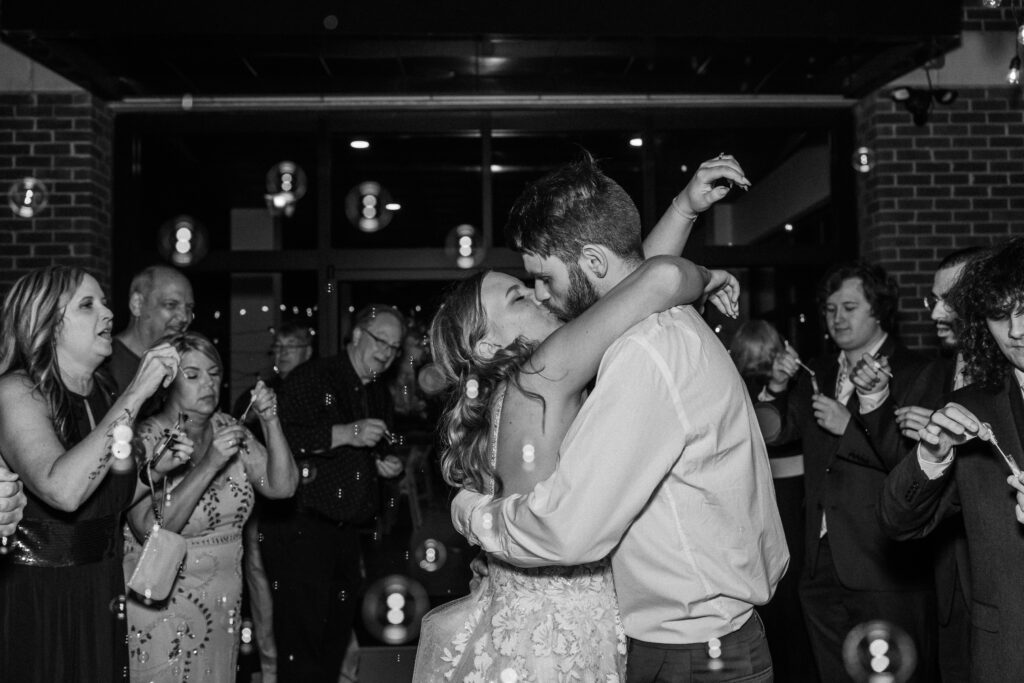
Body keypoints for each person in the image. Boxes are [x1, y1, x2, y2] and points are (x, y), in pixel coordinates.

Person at [449, 154, 787, 683]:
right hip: (670, 638)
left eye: (539, 279)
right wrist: (685, 223)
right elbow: (648, 278)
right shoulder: (648, 330)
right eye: (524, 291)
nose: (541, 294)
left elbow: (564, 531)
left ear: (593, 261)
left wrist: (473, 516)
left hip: (692, 653)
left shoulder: (641, 354)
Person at [0, 265, 184, 683]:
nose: (108, 313)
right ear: (45, 322)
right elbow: (63, 490)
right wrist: (139, 392)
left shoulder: (104, 395)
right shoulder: (16, 391)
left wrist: (153, 471)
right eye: (88, 305)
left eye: (104, 301)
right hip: (41, 594)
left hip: (101, 587)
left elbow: (104, 497)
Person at [765, 261, 936, 682]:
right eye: (829, 309)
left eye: (849, 307)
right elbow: (771, 434)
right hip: (819, 559)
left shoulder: (917, 370)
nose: (837, 318)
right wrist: (776, 387)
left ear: (878, 311)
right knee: (832, 672)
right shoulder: (818, 372)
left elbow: (919, 468)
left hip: (881, 561)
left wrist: (849, 429)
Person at [879, 236, 1024, 683]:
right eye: (1000, 315)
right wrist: (929, 458)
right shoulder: (971, 408)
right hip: (1008, 654)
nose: (1016, 332)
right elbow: (900, 522)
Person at [123, 331, 298, 683]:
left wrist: (270, 420)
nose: (208, 384)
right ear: (167, 383)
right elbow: (149, 530)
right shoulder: (145, 439)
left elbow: (282, 487)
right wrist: (209, 465)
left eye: (214, 373)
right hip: (162, 599)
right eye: (193, 375)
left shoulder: (229, 428)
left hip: (223, 600)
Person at [261, 304, 407, 683]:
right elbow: (278, 439)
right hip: (302, 530)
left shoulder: (378, 393)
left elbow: (379, 447)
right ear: (357, 336)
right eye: (380, 341)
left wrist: (386, 465)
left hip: (346, 536)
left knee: (334, 642)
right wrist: (346, 433)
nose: (387, 353)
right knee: (301, 647)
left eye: (394, 347)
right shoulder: (315, 377)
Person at [884, 246, 988, 683]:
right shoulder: (931, 374)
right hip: (947, 577)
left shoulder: (1009, 376)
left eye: (951, 300)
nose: (936, 313)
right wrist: (925, 446)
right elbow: (892, 469)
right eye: (933, 299)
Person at [728, 320, 817, 682]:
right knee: (771, 584)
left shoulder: (804, 381)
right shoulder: (739, 384)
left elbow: (793, 432)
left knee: (794, 583)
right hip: (761, 494)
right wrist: (777, 386)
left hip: (795, 494)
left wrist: (788, 385)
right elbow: (769, 433)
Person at [233, 320, 314, 683]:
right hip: (262, 513)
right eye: (277, 347)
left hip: (310, 514)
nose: (281, 353)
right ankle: (269, 674)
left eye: (291, 345)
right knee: (263, 598)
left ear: (307, 352)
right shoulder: (257, 394)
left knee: (310, 602)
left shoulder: (317, 390)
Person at [109, 265, 195, 393]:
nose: (184, 317)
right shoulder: (106, 365)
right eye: (171, 305)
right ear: (137, 304)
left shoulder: (180, 363)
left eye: (189, 308)